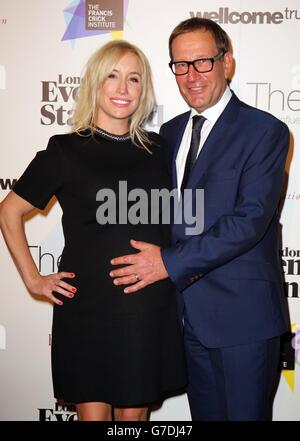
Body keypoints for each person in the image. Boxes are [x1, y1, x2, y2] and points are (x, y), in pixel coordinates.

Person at [109, 18, 290, 420]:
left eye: (203, 62)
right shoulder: (167, 134)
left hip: (242, 322)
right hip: (182, 320)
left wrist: (167, 263)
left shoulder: (265, 131)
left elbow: (250, 219)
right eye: (181, 65)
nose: (191, 76)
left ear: (227, 63)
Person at [0, 40, 186, 421]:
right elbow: (8, 212)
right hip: (87, 309)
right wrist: (33, 280)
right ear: (95, 84)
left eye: (133, 79)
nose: (122, 89)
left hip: (144, 305)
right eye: (112, 77)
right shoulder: (66, 150)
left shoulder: (160, 150)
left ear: (143, 89)